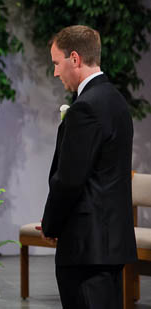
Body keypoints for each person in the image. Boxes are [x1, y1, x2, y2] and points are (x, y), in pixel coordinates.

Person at [40, 25, 136, 308]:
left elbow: (69, 179)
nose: (55, 72)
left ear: (75, 58)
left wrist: (51, 224)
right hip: (110, 242)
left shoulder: (86, 107)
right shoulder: (115, 100)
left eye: (56, 63)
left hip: (86, 247)